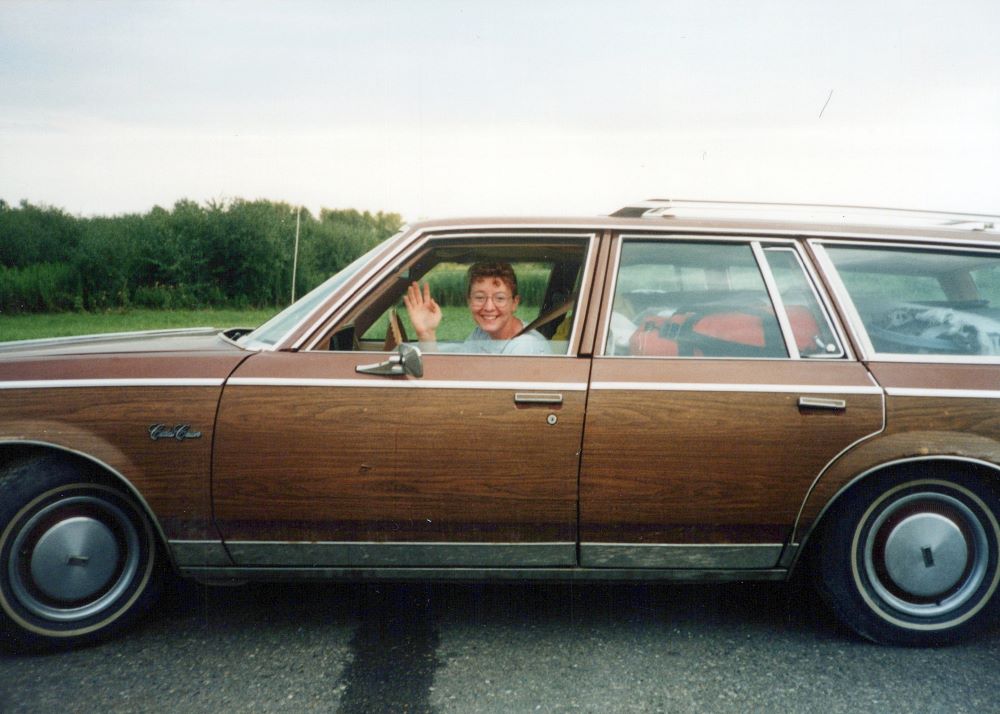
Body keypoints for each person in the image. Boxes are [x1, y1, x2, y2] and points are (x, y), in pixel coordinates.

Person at [403, 261, 550, 355]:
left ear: (514, 303)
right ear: (469, 301)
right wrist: (426, 333)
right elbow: (456, 374)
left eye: (499, 298)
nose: (489, 307)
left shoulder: (524, 347)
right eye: (480, 298)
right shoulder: (481, 334)